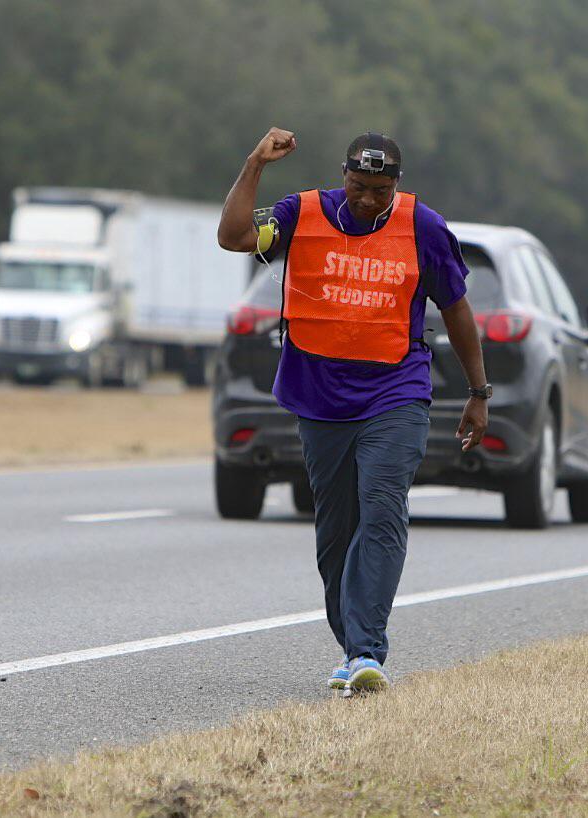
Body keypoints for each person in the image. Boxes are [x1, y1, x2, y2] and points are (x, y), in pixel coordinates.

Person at [217, 128, 489, 692]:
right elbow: (235, 236)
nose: (367, 198)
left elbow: (458, 310)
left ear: (397, 185)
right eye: (358, 185)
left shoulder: (423, 227)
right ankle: (352, 649)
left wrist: (478, 393)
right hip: (318, 400)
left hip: (395, 394)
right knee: (336, 530)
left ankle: (368, 652)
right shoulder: (302, 214)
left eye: (379, 189)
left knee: (382, 508)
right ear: (344, 175)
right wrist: (255, 165)